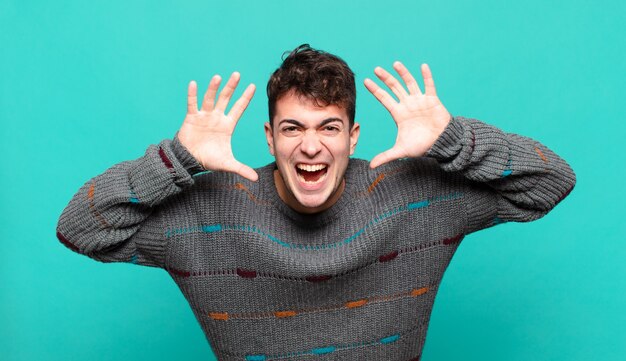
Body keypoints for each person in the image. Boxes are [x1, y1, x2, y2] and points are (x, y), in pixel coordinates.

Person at [56, 44, 576, 360]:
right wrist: (176, 158)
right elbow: (80, 227)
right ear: (269, 139)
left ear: (352, 138)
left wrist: (453, 139)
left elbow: (550, 182)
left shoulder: (413, 193)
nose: (310, 146)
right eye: (293, 128)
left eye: (329, 127)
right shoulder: (209, 211)